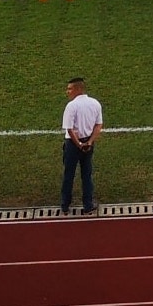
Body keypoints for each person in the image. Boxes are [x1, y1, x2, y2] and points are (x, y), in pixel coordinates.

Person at [61, 77, 103, 216]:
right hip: (88, 144)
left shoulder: (71, 106)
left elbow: (69, 129)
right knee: (87, 174)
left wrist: (78, 144)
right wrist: (90, 142)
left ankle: (65, 205)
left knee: (69, 174)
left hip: (73, 145)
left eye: (70, 89)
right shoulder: (95, 103)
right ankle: (88, 205)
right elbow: (98, 125)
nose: (67, 91)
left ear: (78, 89)